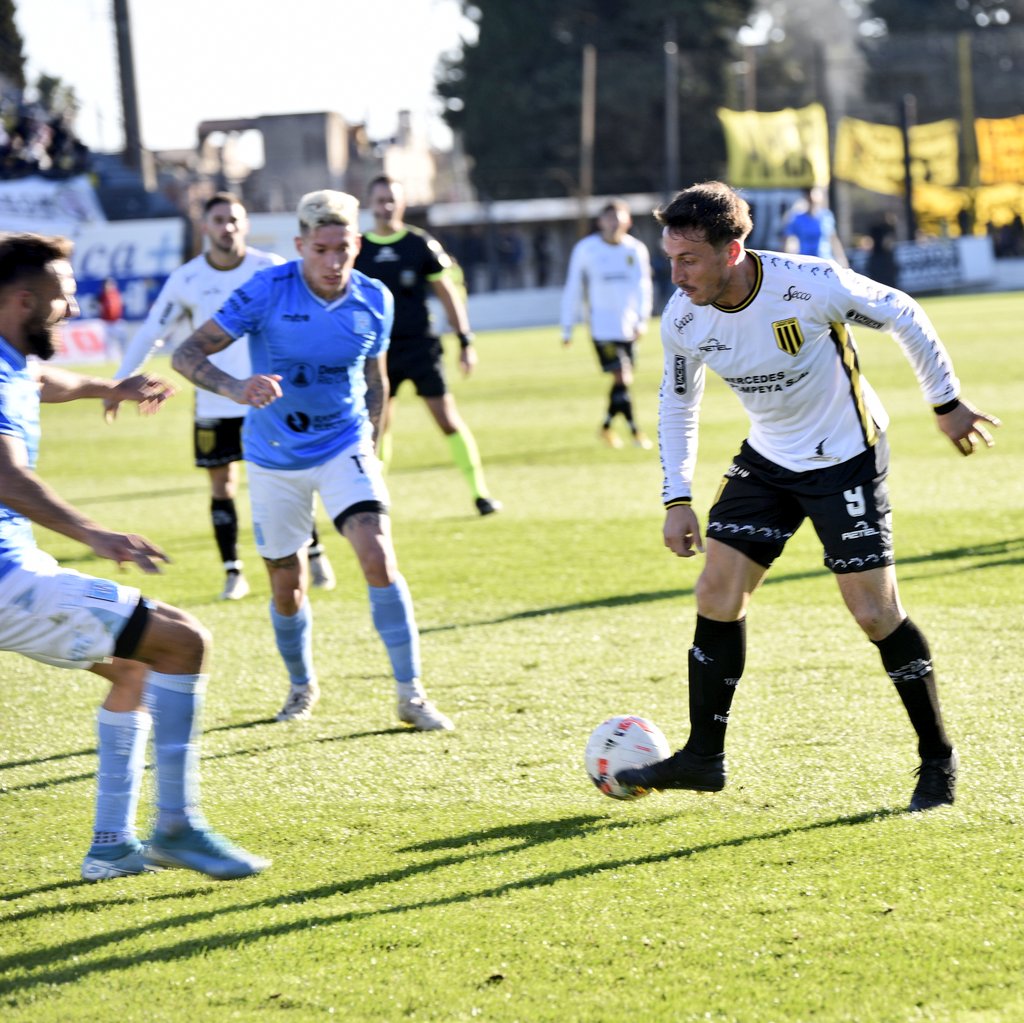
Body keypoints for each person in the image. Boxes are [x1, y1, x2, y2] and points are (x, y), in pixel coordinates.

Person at [615, 181, 999, 811]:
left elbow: (902, 312)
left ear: (732, 250)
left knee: (874, 614)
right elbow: (678, 403)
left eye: (689, 260)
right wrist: (676, 497)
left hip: (846, 458)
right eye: (671, 259)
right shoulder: (684, 317)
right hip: (768, 460)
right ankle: (703, 758)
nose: (676, 276)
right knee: (716, 593)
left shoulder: (809, 283)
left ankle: (938, 758)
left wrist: (946, 402)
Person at [0, 233, 269, 881]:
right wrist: (94, 534)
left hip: (16, 572)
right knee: (183, 641)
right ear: (24, 301)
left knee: (137, 667)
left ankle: (112, 846)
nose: (73, 309)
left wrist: (109, 387)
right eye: (64, 298)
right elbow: (6, 477)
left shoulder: (13, 362)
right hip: (8, 582)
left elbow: (45, 380)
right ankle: (176, 826)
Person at [171, 190, 454, 730]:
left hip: (344, 444)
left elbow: (376, 379)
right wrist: (236, 387)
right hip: (273, 456)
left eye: (342, 249)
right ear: (300, 245)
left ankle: (411, 694)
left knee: (377, 554)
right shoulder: (266, 290)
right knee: (287, 585)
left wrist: (370, 444)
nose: (332, 261)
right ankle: (301, 687)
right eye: (320, 250)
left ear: (357, 245)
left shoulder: (374, 298)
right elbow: (186, 354)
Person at [105, 192, 336, 601]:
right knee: (221, 485)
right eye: (219, 220)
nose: (227, 227)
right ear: (205, 227)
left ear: (245, 224)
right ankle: (233, 573)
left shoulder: (270, 268)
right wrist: (120, 382)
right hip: (215, 399)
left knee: (289, 476)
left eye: (234, 219)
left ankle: (314, 553)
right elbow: (152, 331)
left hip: (269, 397)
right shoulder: (187, 279)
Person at [355, 175, 501, 516]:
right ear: (370, 203)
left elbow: (446, 293)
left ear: (402, 203)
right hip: (378, 353)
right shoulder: (359, 248)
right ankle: (374, 499)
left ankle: (480, 494)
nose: (386, 206)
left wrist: (465, 340)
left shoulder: (419, 243)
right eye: (380, 199)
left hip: (421, 347)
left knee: (447, 420)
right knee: (377, 426)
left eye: (392, 199)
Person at [560, 199, 654, 449]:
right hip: (601, 327)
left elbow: (644, 286)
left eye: (618, 219)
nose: (613, 224)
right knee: (622, 375)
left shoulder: (635, 249)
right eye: (609, 219)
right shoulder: (586, 249)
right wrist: (567, 326)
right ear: (600, 222)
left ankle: (606, 427)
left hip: (629, 326)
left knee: (622, 380)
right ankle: (636, 432)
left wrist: (642, 319)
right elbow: (573, 286)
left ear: (628, 222)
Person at [783, 186, 848, 265]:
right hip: (806, 262)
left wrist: (842, 259)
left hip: (825, 261)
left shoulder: (826, 216)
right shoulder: (797, 218)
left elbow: (833, 238)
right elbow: (789, 241)